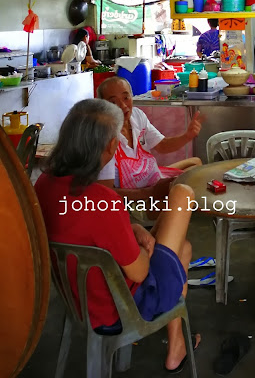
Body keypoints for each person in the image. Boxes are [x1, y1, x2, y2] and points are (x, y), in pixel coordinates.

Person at [34, 99, 200, 372]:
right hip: (119, 308)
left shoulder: (45, 184)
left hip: (77, 299)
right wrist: (146, 246)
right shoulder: (102, 200)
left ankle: (177, 345)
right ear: (110, 146)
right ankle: (177, 345)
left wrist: (134, 230)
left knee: (183, 247)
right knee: (182, 196)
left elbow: (89, 229)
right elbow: (139, 273)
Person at [97, 76, 202, 206]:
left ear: (132, 96)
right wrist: (150, 192)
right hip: (137, 198)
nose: (123, 106)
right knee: (181, 195)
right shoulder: (104, 137)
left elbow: (162, 146)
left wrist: (187, 136)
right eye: (113, 102)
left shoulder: (137, 115)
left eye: (126, 98)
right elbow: (105, 192)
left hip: (152, 177)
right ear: (102, 106)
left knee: (196, 163)